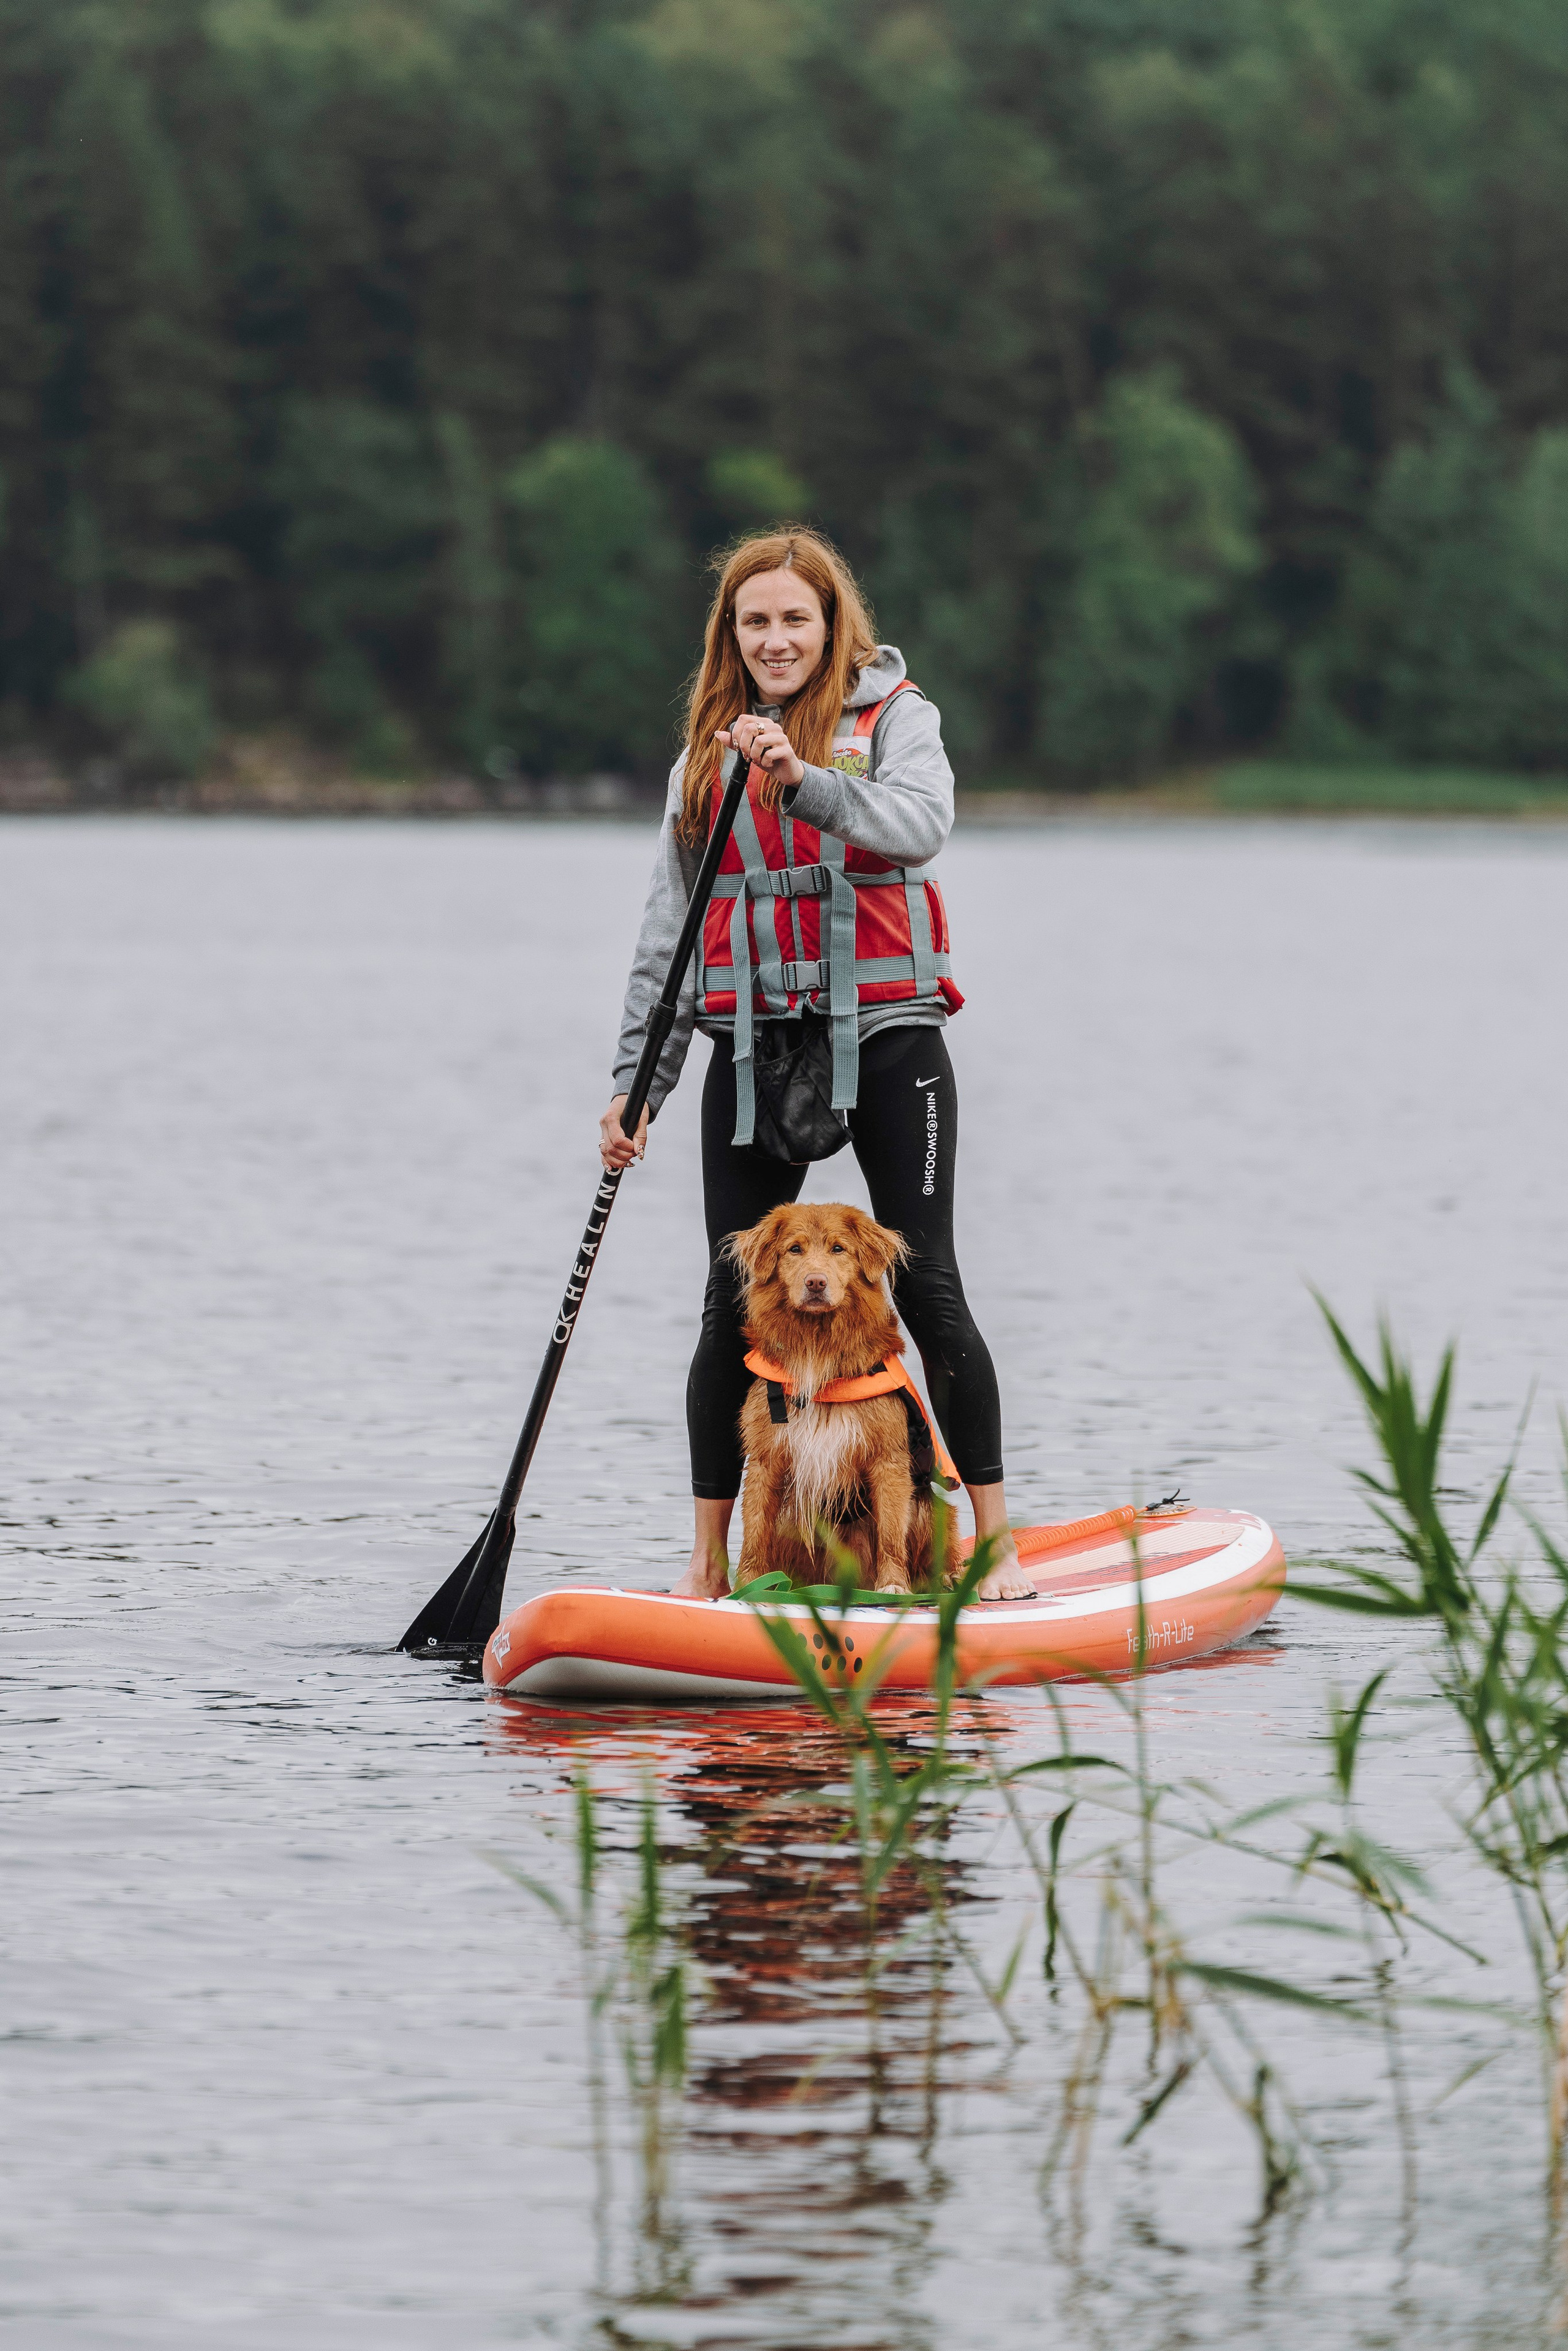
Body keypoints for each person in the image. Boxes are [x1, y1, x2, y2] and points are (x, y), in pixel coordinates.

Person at [598, 527, 1030, 1602]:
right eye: (756, 622)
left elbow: (923, 825)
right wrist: (635, 1084)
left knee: (928, 1282)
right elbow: (671, 934)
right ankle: (707, 1565)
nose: (777, 639)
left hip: (887, 1033)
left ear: (833, 625)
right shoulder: (704, 756)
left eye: (797, 618)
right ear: (731, 635)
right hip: (752, 1043)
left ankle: (999, 1545)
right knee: (723, 1305)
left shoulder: (895, 720)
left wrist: (806, 783)